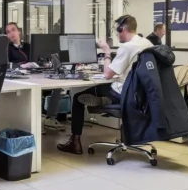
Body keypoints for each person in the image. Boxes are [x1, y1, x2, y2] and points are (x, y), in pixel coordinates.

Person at [57, 14, 152, 155]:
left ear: (122, 29)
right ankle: (103, 99)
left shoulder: (127, 47)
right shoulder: (147, 44)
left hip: (122, 92)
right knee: (99, 89)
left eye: (116, 30)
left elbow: (107, 74)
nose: (116, 34)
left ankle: (75, 143)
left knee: (77, 97)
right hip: (140, 94)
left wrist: (106, 51)